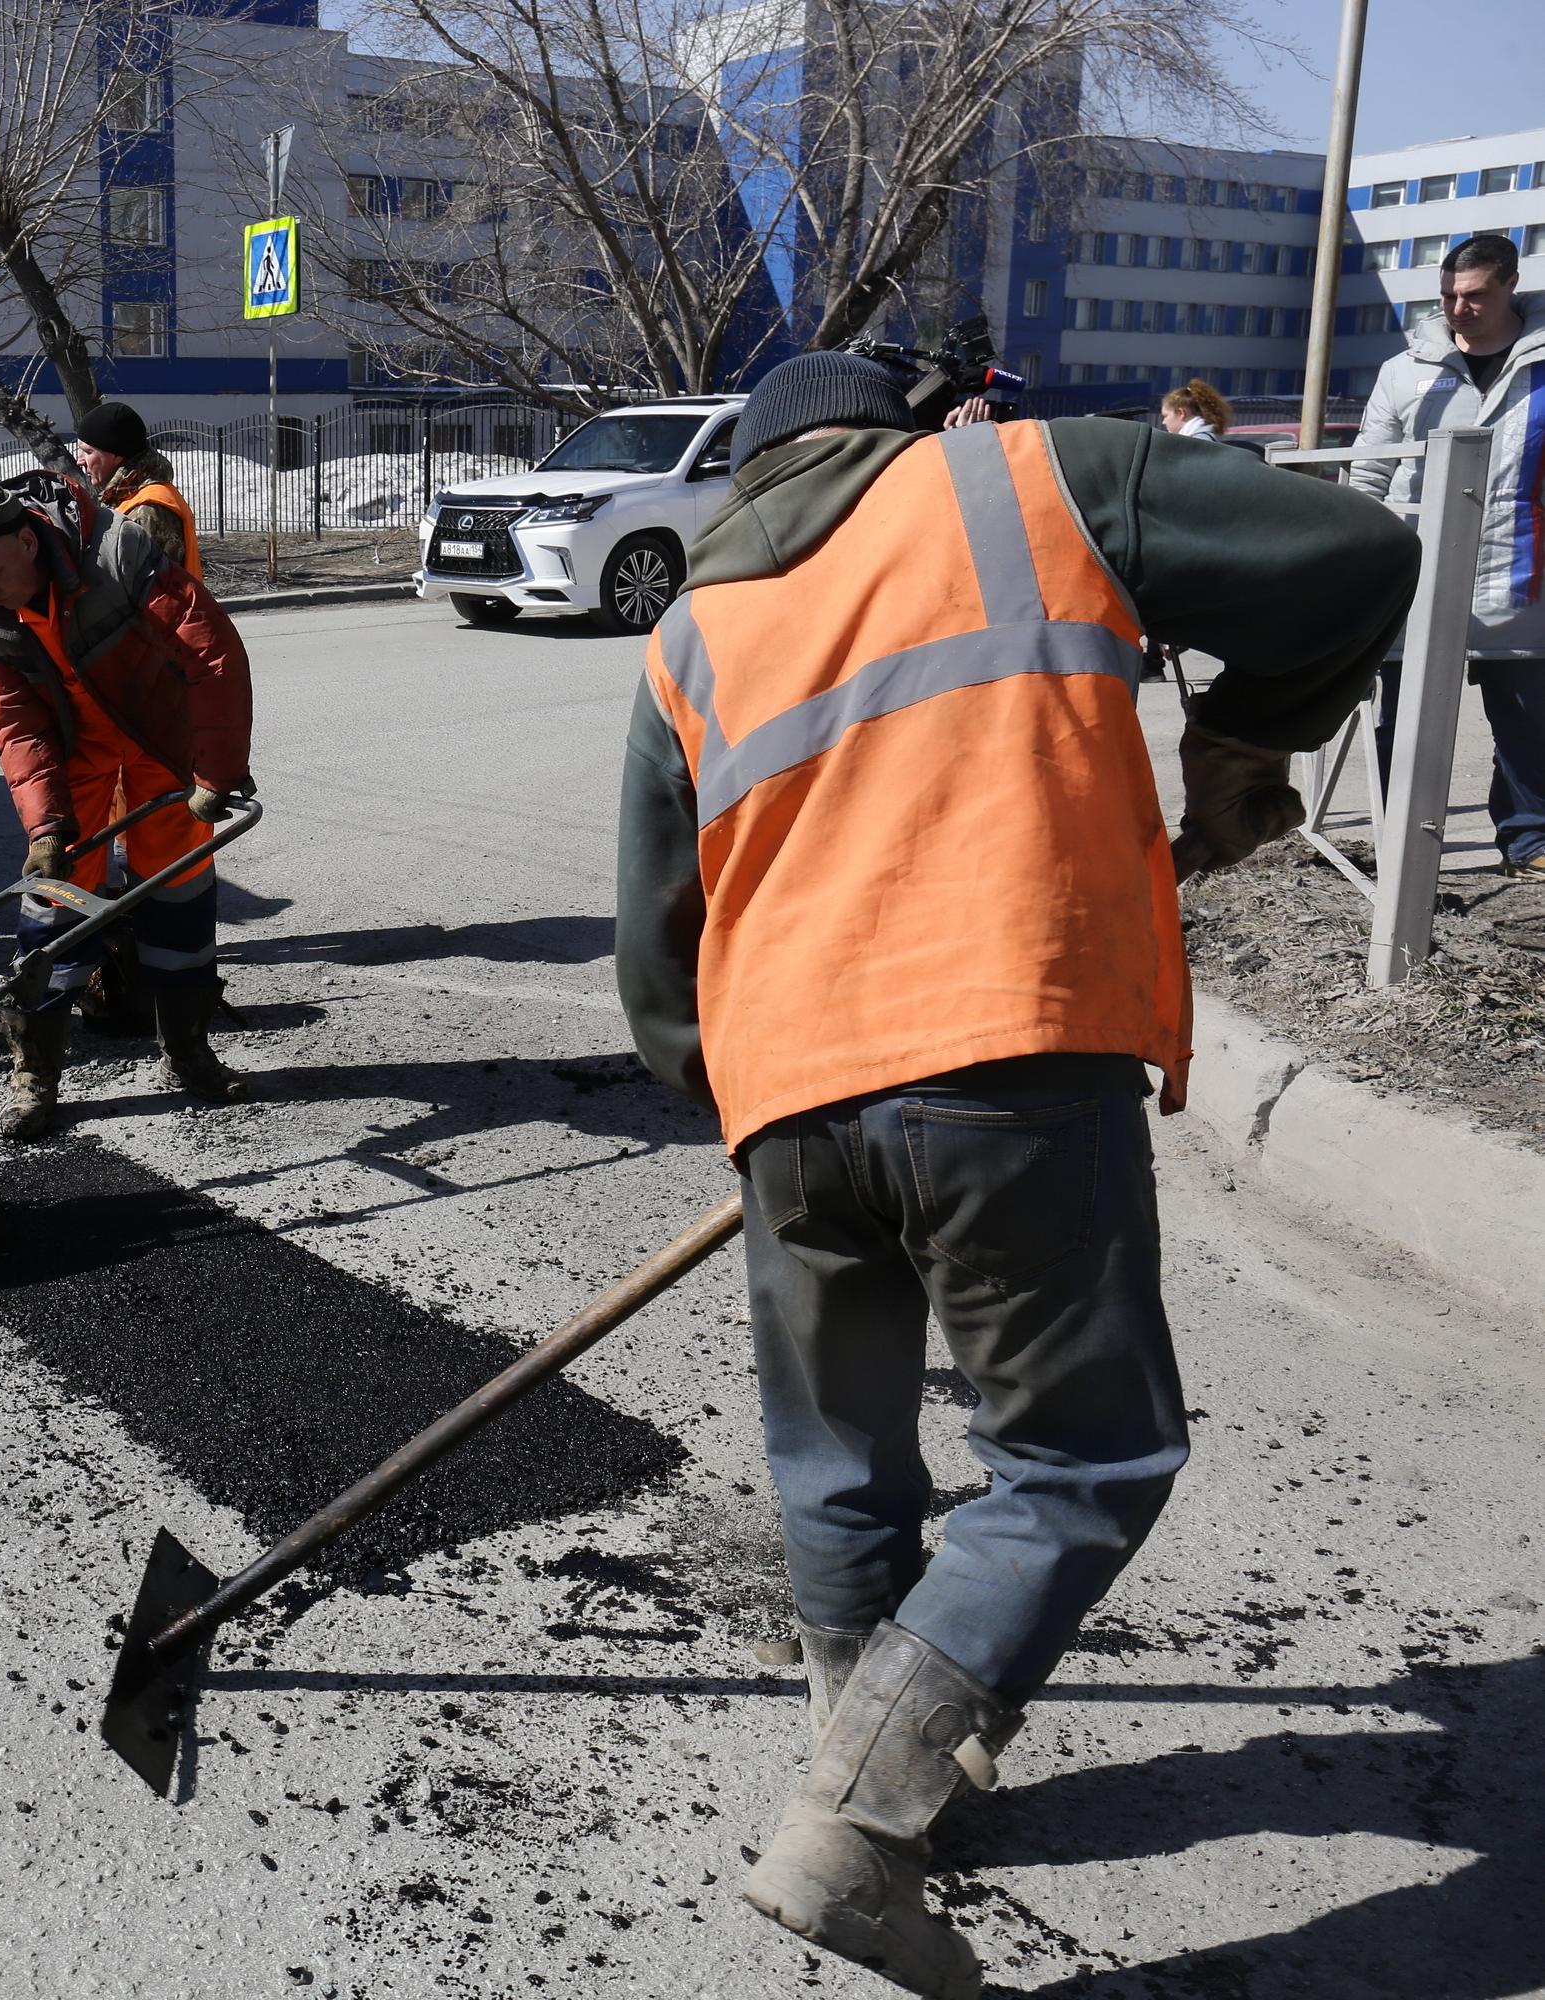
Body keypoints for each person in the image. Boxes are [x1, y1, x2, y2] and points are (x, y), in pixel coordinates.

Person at [615, 350, 1421, 1998]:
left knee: (835, 1465)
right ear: (889, 435)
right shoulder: (1019, 479)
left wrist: (756, 1105)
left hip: (786, 1091)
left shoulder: (687, 628)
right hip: (999, 1046)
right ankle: (854, 1825)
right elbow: (1358, 556)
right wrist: (1243, 743)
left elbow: (650, 943)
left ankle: (874, 1762)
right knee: (1077, 1461)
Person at [0, 477, 252, 1139]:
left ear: (28, 542)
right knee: (52, 905)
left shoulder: (118, 557)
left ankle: (187, 1053)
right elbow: (16, 726)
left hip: (154, 740)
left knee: (179, 891)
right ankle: (34, 1077)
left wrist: (214, 773)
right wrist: (46, 823)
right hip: (75, 752)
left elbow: (211, 655)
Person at [1350, 232, 1545, 878]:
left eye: (1473, 296)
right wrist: (1361, 558)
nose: (1457, 308)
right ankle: (1399, 842)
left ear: (1510, 284)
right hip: (1418, 578)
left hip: (1516, 575)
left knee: (1526, 723)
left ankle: (1528, 843)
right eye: (1446, 296)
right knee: (1403, 720)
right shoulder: (1406, 369)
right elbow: (1368, 474)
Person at [71, 401, 201, 576]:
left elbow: (153, 594)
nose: (79, 461)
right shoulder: (127, 496)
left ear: (116, 455)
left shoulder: (147, 510)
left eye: (88, 452)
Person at [1160, 377, 1232, 440]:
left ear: (1180, 413)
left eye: (1166, 416)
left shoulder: (1199, 442)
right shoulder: (1205, 438)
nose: (1163, 422)